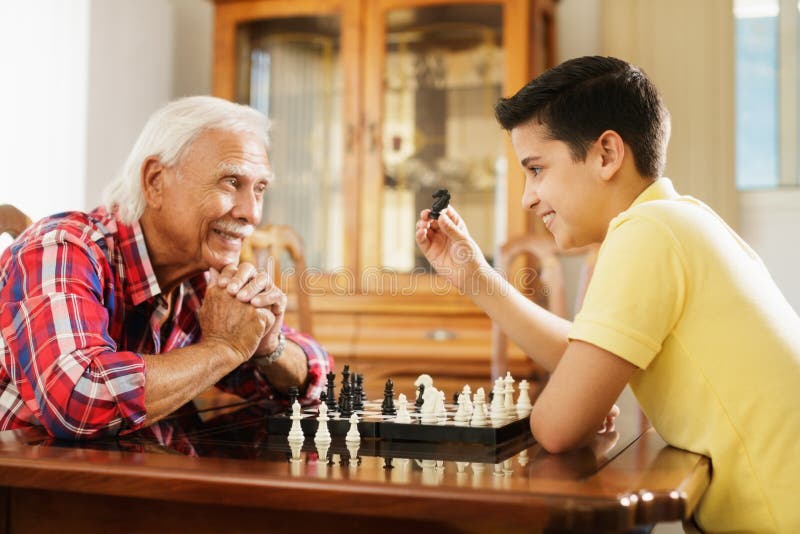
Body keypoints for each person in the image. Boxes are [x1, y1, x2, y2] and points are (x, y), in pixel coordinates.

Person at [415, 56, 800, 532]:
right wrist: (473, 274)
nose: (526, 197)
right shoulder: (679, 219)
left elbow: (555, 428)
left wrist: (572, 402)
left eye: (536, 169)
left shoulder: (646, 234)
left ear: (606, 154)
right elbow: (585, 352)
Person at [0, 96, 332, 440]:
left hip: (130, 475)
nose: (253, 213)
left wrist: (268, 346)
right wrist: (223, 349)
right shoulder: (62, 248)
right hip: (28, 484)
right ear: (155, 181)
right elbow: (80, 399)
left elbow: (318, 372)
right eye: (231, 182)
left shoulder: (204, 279)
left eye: (260, 189)